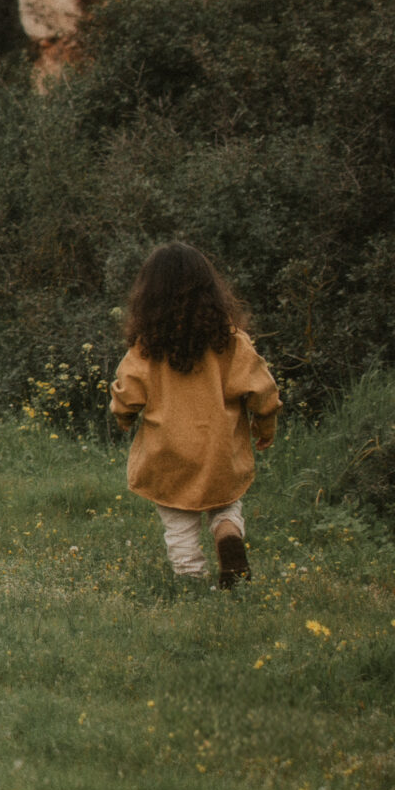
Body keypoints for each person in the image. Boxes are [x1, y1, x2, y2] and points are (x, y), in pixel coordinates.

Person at [109, 243, 279, 587]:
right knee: (225, 505)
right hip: (220, 449)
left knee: (179, 523)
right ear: (211, 290)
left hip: (167, 453)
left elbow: (128, 394)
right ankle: (227, 533)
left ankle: (190, 581)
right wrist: (265, 426)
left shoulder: (146, 347)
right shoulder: (232, 342)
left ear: (149, 295)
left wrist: (123, 417)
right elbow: (262, 390)